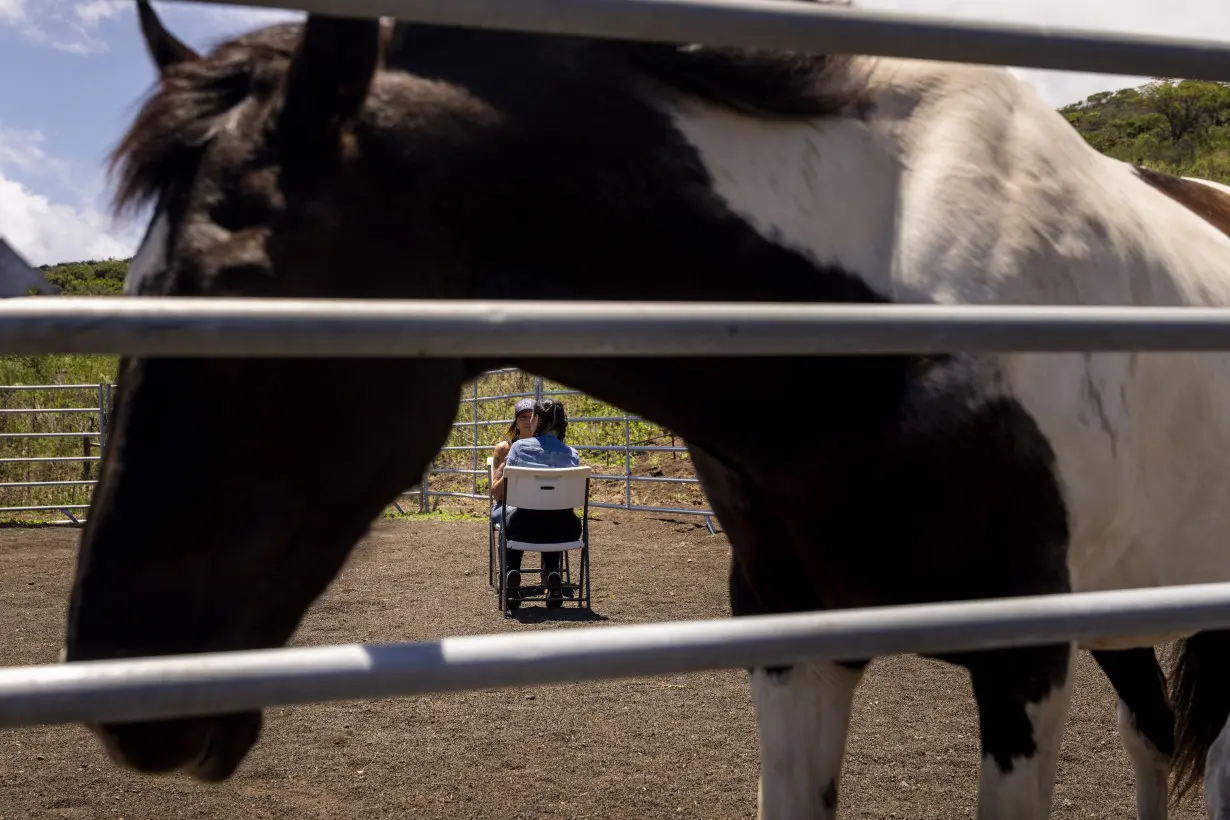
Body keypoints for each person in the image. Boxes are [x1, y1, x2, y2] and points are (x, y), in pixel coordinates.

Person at [489, 399, 582, 609]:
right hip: (566, 529)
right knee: (551, 513)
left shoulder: (519, 449)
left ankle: (512, 575)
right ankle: (553, 578)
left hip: (523, 527)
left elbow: (501, 492)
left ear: (537, 419)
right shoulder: (572, 454)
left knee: (514, 517)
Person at [490, 397, 536, 527]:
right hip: (510, 505)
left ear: (538, 421)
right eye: (523, 417)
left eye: (531, 417)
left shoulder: (545, 448)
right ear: (516, 422)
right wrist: (510, 465)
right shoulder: (505, 449)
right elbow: (497, 494)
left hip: (538, 505)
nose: (528, 421)